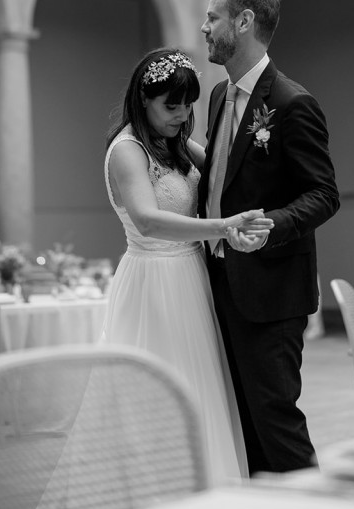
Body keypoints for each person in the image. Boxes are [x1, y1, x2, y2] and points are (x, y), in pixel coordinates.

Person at [102, 47, 274, 484]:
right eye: (171, 105)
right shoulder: (127, 150)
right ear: (144, 99)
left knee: (203, 388)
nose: (181, 115)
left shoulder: (175, 143)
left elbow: (222, 173)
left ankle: (211, 486)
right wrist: (222, 227)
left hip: (192, 278)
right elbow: (148, 220)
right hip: (154, 283)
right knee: (161, 394)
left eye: (188, 105)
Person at [198, 0, 340, 475]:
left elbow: (324, 194)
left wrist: (271, 225)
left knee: (275, 420)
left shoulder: (292, 102)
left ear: (243, 22)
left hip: (271, 288)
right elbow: (226, 171)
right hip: (220, 280)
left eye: (212, 17)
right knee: (243, 421)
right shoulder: (219, 95)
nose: (204, 27)